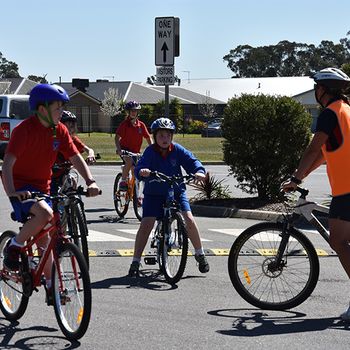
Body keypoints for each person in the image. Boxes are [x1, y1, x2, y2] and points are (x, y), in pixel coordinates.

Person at [1, 83, 100, 304]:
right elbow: (7, 165)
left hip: (43, 188)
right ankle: (15, 247)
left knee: (46, 242)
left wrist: (91, 181)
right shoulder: (23, 131)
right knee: (45, 215)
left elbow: (75, 157)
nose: (61, 112)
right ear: (42, 109)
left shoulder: (60, 130)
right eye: (57, 107)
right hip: (20, 188)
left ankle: (50, 285)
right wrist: (13, 192)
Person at [282, 67, 350, 320]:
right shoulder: (346, 111)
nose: (315, 92)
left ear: (323, 90)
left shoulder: (329, 115)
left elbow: (313, 149)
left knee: (338, 241)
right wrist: (299, 177)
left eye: (316, 88)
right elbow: (323, 154)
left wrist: (295, 178)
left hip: (347, 190)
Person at [128, 117, 210, 277]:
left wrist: (199, 171)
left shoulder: (177, 150)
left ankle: (200, 254)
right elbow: (141, 166)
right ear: (154, 137)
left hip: (177, 191)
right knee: (146, 224)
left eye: (168, 136)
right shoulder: (150, 152)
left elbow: (192, 161)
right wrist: (142, 171)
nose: (165, 139)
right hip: (154, 194)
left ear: (172, 137)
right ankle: (135, 261)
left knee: (189, 219)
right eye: (161, 136)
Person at [51, 110, 96, 193]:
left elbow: (88, 150)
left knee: (72, 180)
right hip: (51, 175)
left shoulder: (72, 139)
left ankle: (73, 202)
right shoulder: (53, 139)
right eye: (67, 125)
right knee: (52, 195)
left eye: (72, 125)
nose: (70, 128)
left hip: (64, 172)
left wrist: (91, 155)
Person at [115, 100, 152, 191]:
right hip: (125, 150)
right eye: (131, 111)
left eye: (135, 111)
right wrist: (119, 149)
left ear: (137, 112)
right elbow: (116, 138)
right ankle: (123, 181)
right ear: (128, 112)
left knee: (136, 172)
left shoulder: (141, 125)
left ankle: (135, 195)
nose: (133, 112)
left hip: (136, 152)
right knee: (129, 161)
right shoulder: (124, 124)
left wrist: (153, 149)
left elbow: (148, 138)